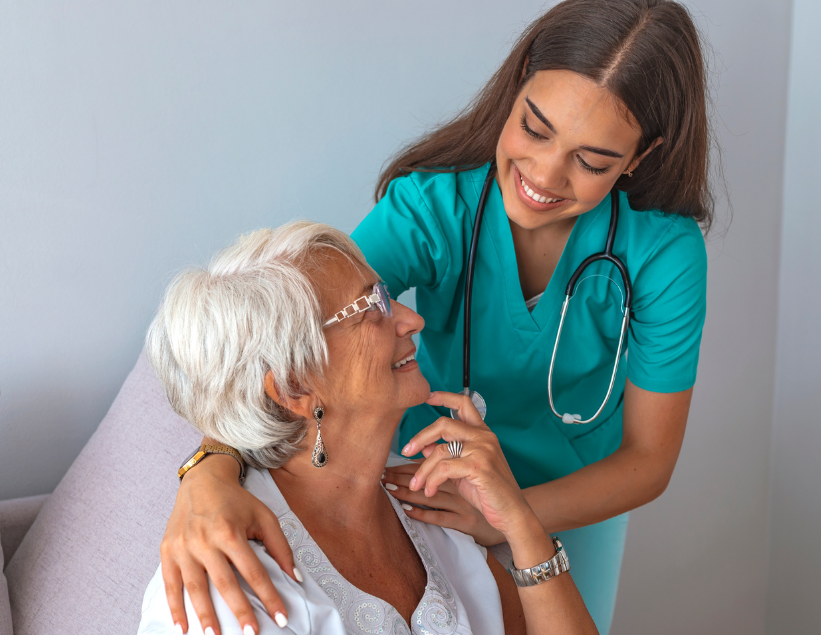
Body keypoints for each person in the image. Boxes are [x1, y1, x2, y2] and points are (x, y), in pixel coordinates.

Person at [162, 1, 714, 633]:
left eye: (591, 163)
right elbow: (295, 340)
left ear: (641, 157)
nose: (544, 174)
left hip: (571, 508)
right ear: (521, 78)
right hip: (430, 487)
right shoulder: (435, 207)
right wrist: (207, 471)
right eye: (535, 129)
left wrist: (513, 517)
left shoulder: (664, 255)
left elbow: (649, 457)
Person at [137, 221, 598, 635]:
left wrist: (522, 528)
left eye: (387, 294)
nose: (412, 319)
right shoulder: (225, 584)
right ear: (297, 387)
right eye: (372, 307)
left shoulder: (432, 501)